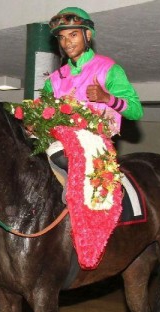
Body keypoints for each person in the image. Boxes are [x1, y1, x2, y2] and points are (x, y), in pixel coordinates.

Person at [43, 7, 143, 199]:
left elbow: (136, 111)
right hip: (59, 145)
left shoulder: (109, 69)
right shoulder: (54, 80)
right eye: (62, 37)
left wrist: (107, 98)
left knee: (59, 153)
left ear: (87, 34)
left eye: (73, 34)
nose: (67, 42)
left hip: (97, 148)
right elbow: (43, 114)